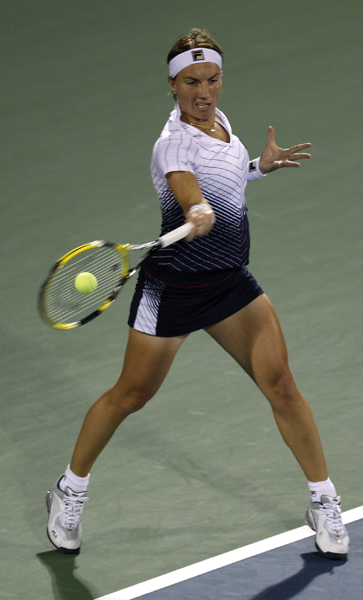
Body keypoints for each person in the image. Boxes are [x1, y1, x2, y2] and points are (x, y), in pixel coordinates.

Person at [46, 28, 349, 560]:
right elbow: (188, 185)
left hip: (230, 284)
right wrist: (196, 210)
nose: (204, 92)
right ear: (172, 84)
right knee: (130, 396)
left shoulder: (221, 123)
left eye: (212, 80)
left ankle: (323, 501)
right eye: (191, 82)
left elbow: (226, 176)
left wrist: (258, 167)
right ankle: (69, 489)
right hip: (173, 290)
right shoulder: (172, 145)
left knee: (281, 385)